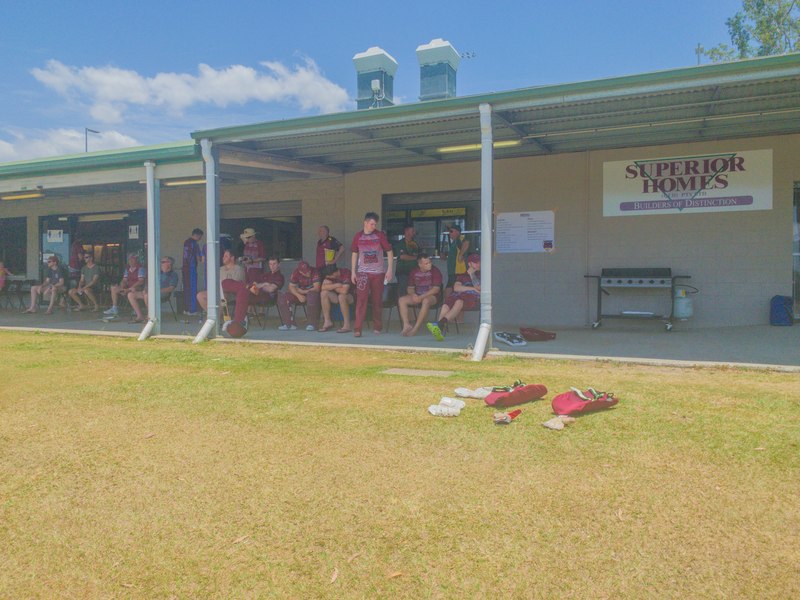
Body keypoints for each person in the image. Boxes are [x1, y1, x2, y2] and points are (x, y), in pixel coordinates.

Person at [350, 212, 394, 337]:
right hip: (363, 273)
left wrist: (390, 269)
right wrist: (353, 271)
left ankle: (377, 327)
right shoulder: (358, 236)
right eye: (371, 224)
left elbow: (389, 251)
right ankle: (357, 328)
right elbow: (354, 253)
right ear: (365, 222)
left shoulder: (379, 235)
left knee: (377, 300)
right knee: (361, 300)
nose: (373, 226)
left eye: (375, 224)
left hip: (378, 273)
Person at [427, 253, 481, 341]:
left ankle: (439, 325)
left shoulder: (481, 275)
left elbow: (479, 287)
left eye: (479, 262)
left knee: (459, 301)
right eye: (475, 262)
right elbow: (456, 288)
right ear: (469, 264)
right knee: (446, 304)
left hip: (472, 300)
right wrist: (472, 288)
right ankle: (439, 330)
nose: (478, 264)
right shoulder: (462, 276)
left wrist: (472, 275)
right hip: (458, 296)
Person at [196, 249, 249, 334]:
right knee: (200, 295)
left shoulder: (239, 269)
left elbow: (235, 285)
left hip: (230, 294)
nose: (223, 258)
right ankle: (216, 318)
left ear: (232, 258)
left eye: (226, 256)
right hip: (217, 291)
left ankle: (215, 321)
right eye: (223, 256)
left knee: (222, 297)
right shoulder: (220, 269)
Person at [398, 253, 443, 336]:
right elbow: (410, 288)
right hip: (418, 295)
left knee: (426, 301)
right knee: (402, 300)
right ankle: (406, 325)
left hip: (432, 297)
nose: (429, 264)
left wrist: (421, 297)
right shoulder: (414, 271)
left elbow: (436, 289)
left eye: (430, 262)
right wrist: (413, 295)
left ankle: (416, 328)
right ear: (420, 264)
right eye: (426, 263)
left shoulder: (435, 271)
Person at [127, 256, 179, 323]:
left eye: (163, 262)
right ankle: (139, 316)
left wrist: (156, 291)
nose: (161, 264)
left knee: (147, 295)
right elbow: (149, 283)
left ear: (169, 263)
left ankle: (150, 316)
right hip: (151, 293)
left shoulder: (173, 274)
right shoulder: (158, 273)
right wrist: (145, 289)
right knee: (131, 294)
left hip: (162, 294)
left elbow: (171, 288)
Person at [277, 261, 321, 331]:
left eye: (308, 270)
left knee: (311, 295)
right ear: (300, 272)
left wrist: (303, 292)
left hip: (312, 294)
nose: (308, 273)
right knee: (284, 297)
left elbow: (317, 288)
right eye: (305, 272)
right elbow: (291, 286)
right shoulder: (296, 272)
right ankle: (289, 324)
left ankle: (311, 324)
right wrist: (298, 295)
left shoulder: (314, 271)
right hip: (300, 294)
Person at [319, 264, 353, 333]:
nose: (328, 278)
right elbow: (322, 288)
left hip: (351, 297)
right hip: (337, 296)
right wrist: (336, 285)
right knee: (323, 293)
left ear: (334, 273)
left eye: (329, 276)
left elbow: (344, 291)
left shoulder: (346, 272)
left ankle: (347, 325)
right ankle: (327, 322)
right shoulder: (330, 275)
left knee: (341, 296)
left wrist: (331, 287)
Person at [182, 228, 204, 315]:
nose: (200, 239)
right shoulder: (194, 244)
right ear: (197, 235)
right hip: (191, 268)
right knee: (192, 289)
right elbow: (200, 258)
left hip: (185, 268)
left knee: (186, 289)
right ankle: (192, 309)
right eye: (200, 237)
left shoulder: (186, 242)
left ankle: (186, 309)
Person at [443, 223, 469, 297]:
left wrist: (460, 255)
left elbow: (466, 242)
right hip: (453, 271)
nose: (449, 233)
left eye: (451, 231)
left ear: (458, 232)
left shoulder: (459, 238)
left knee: (449, 289)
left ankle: (446, 305)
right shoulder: (454, 242)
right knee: (452, 290)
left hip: (458, 271)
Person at [393, 224, 420, 293]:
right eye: (412, 231)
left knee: (413, 291)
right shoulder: (400, 243)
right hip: (402, 272)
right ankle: (401, 303)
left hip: (413, 272)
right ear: (406, 231)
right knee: (403, 291)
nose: (414, 232)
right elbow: (402, 256)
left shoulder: (415, 243)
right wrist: (415, 257)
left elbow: (417, 254)